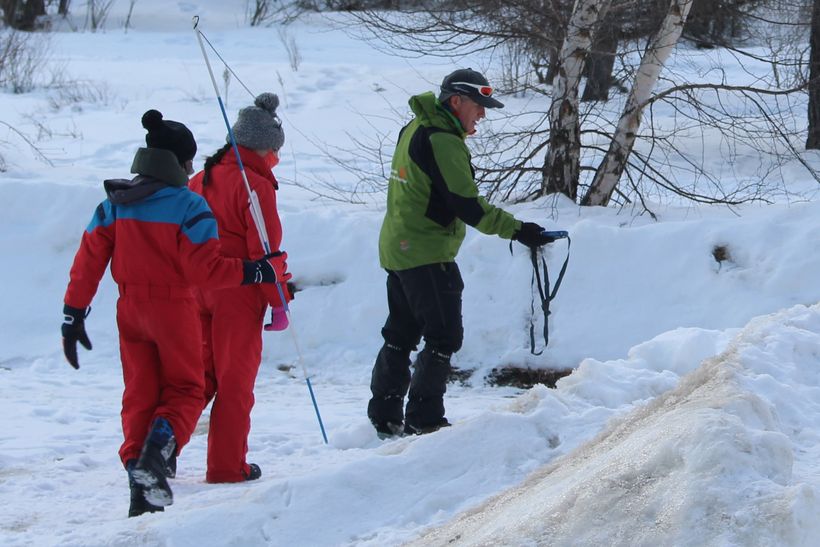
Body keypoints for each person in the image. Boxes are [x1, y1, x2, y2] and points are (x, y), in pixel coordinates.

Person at [60, 109, 289, 517]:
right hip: (177, 305)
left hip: (130, 309)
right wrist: (259, 275)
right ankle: (162, 458)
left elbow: (89, 257)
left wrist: (73, 312)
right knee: (186, 388)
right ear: (181, 161)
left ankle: (140, 477)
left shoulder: (116, 201)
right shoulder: (188, 204)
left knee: (140, 394)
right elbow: (207, 268)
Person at [368, 68, 558, 438]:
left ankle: (385, 414)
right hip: (425, 251)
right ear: (456, 101)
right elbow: (467, 205)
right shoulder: (442, 140)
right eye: (479, 106)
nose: (483, 115)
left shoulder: (415, 127)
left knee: (400, 334)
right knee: (443, 336)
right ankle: (425, 419)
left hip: (399, 246)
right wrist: (520, 230)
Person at [188, 92, 292, 483]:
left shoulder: (200, 178)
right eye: (275, 153)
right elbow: (265, 252)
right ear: (264, 149)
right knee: (234, 381)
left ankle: (157, 450)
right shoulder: (254, 186)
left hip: (196, 288)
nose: (277, 160)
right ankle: (227, 466)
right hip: (237, 292)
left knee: (195, 379)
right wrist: (278, 301)